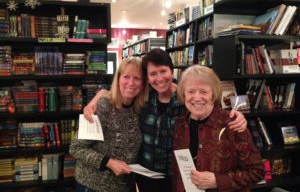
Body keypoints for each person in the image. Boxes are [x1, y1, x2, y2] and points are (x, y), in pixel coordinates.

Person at [83, 48, 248, 192]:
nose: (159, 78)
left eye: (163, 71)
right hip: (145, 174)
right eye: (153, 74)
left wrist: (236, 115)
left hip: (176, 176)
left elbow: (210, 109)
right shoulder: (143, 97)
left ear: (171, 70)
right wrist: (98, 96)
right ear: (147, 79)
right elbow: (120, 90)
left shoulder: (185, 98)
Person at [172, 65, 264, 192]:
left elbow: (257, 171)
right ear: (183, 94)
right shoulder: (180, 123)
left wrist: (217, 181)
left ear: (213, 94)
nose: (197, 98)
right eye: (191, 91)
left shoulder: (233, 124)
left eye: (204, 91)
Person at [69, 57, 148, 192]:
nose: (131, 82)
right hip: (93, 185)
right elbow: (76, 148)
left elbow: (162, 83)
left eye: (137, 78)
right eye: (126, 77)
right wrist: (109, 163)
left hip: (124, 186)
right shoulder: (102, 106)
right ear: (118, 79)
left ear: (143, 84)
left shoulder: (140, 109)